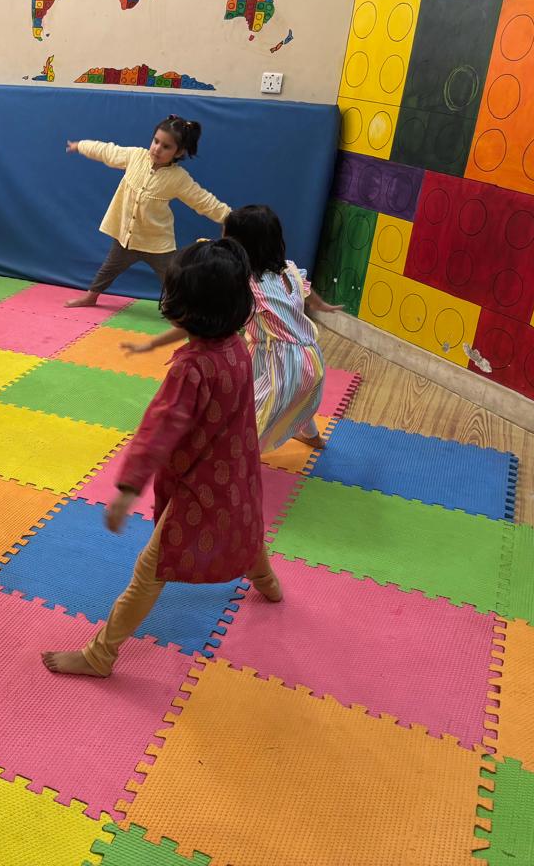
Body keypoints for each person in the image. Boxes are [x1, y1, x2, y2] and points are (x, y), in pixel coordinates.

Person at [42, 239, 282, 678]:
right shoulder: (235, 346)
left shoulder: (190, 370)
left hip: (199, 488)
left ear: (183, 310)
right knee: (245, 527)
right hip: (239, 475)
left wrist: (126, 490)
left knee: (149, 572)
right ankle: (267, 583)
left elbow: (158, 431)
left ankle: (99, 656)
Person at [128, 205, 344, 451]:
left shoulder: (249, 286)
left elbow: (204, 323)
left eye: (225, 238)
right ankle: (311, 436)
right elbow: (307, 291)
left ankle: (239, 457)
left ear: (241, 246)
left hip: (282, 363)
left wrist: (154, 342)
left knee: (253, 415)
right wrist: (321, 304)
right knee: (295, 398)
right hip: (310, 357)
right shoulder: (288, 269)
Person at [64, 115, 231, 309]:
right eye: (156, 141)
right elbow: (107, 151)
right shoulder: (135, 156)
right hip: (126, 238)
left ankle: (184, 309)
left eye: (166, 146)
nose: (157, 148)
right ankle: (90, 297)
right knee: (108, 269)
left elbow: (203, 200)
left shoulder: (178, 178)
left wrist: (229, 217)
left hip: (156, 243)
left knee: (172, 278)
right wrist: (81, 145)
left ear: (179, 152)